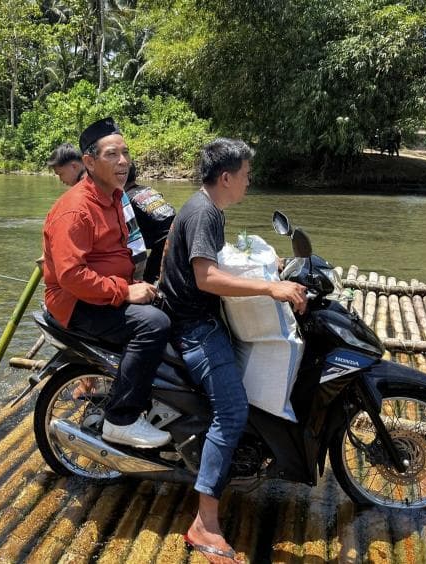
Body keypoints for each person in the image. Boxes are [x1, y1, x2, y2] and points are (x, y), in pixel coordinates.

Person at [159, 138, 307, 562]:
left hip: (198, 319)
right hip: (196, 329)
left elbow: (212, 263)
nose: (248, 181)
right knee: (232, 411)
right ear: (226, 177)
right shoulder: (205, 213)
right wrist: (269, 287)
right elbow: (206, 278)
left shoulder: (205, 207)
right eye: (245, 174)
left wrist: (268, 265)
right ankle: (205, 523)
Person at [42, 117, 171, 448]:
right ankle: (121, 419)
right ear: (88, 162)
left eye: (125, 153)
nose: (123, 161)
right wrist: (126, 292)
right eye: (112, 154)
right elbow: (71, 277)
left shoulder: (114, 197)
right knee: (152, 325)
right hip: (76, 303)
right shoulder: (75, 209)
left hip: (104, 293)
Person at [45, 142, 148, 279]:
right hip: (138, 251)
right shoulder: (103, 179)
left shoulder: (89, 188)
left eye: (61, 174)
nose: (61, 180)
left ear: (74, 166)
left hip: (127, 255)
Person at [124, 162, 176, 283]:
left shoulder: (126, 199)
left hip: (163, 242)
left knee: (148, 280)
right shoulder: (149, 189)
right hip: (178, 231)